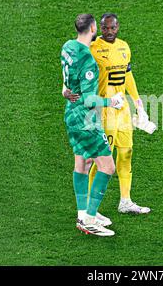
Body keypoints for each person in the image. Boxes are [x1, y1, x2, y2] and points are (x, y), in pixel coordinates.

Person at [64, 13, 152, 216]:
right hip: (102, 108)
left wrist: (138, 104)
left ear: (118, 27)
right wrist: (66, 88)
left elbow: (128, 75)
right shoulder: (92, 49)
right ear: (99, 29)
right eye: (105, 28)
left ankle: (125, 200)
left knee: (126, 152)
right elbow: (75, 68)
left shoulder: (124, 47)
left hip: (122, 109)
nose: (109, 31)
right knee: (102, 159)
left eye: (113, 28)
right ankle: (89, 209)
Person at [61, 14, 124, 237]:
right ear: (93, 28)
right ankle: (89, 219)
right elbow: (89, 100)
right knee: (107, 167)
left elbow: (66, 79)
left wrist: (65, 90)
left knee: (83, 162)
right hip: (86, 119)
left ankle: (83, 214)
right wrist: (112, 102)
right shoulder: (87, 60)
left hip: (70, 115)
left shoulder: (67, 47)